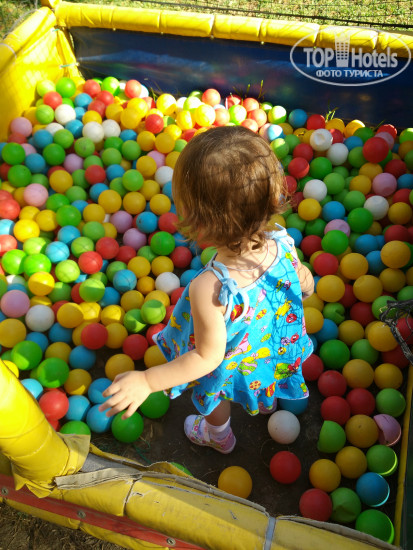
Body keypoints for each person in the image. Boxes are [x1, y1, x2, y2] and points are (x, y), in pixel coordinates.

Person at [100, 125, 314, 454]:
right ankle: (265, 402)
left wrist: (147, 380)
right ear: (273, 196)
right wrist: (303, 285)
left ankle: (219, 436)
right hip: (270, 348)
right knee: (261, 374)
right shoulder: (283, 242)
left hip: (233, 360)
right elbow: (304, 283)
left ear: (198, 222)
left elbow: (207, 358)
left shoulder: (210, 286)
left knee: (217, 390)